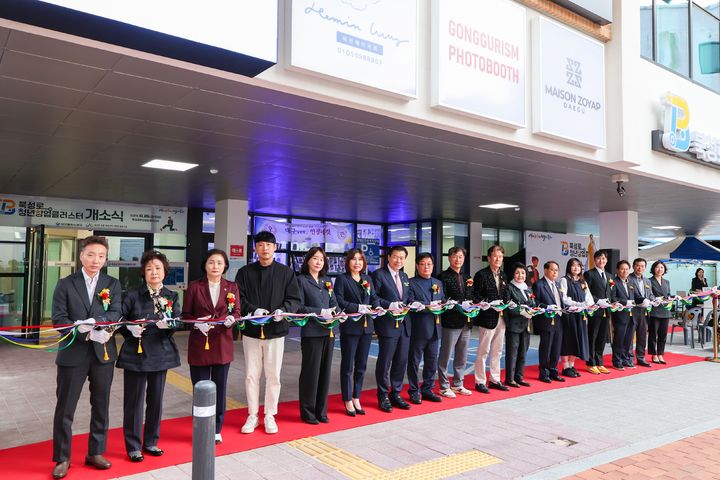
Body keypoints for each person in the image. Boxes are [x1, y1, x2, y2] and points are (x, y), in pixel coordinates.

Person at [51, 236, 122, 479]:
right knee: (65, 407)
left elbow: (116, 312)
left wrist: (98, 324)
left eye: (101, 256)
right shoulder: (65, 284)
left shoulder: (112, 283)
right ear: (81, 255)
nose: (96, 260)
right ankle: (62, 457)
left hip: (103, 353)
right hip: (73, 353)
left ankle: (96, 452)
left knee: (101, 405)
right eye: (91, 254)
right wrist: (81, 331)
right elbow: (58, 319)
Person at [117, 250, 181, 462]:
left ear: (165, 271)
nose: (154, 272)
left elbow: (177, 322)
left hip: (160, 354)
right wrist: (129, 329)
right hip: (136, 354)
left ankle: (151, 441)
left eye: (158, 268)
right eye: (149, 269)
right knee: (134, 402)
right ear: (143, 273)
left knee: (156, 400)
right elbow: (119, 320)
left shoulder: (171, 296)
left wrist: (169, 325)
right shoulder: (133, 295)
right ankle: (133, 445)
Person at [235, 231, 301, 434]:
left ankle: (270, 415)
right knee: (251, 375)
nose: (264, 248)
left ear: (275, 247)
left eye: (268, 245)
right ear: (255, 248)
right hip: (252, 331)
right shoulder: (245, 272)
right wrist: (253, 310)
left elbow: (294, 299)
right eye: (260, 244)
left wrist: (283, 309)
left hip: (276, 330)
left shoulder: (286, 272)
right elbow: (239, 298)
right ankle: (253, 415)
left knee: (273, 376)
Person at [182, 248, 239, 444]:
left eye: (219, 263)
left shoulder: (231, 287)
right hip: (200, 343)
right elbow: (185, 315)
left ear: (225, 266)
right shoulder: (194, 287)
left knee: (220, 388)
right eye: (211, 262)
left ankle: (216, 429)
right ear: (205, 265)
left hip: (222, 343)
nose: (215, 266)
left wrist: (233, 319)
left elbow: (237, 312)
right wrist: (197, 323)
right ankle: (200, 427)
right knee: (199, 388)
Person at [334, 248, 380, 416]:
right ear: (348, 262)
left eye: (360, 259)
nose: (357, 262)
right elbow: (338, 300)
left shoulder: (367, 279)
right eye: (354, 259)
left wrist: (378, 306)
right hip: (350, 327)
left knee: (361, 365)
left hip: (367, 327)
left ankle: (356, 396)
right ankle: (347, 399)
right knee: (348, 365)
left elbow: (373, 297)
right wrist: (356, 307)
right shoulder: (342, 279)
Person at [297, 247, 338, 425]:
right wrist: (320, 311)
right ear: (308, 261)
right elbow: (299, 307)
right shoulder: (301, 280)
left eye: (321, 259)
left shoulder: (327, 281)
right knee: (310, 373)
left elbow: (334, 303)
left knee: (325, 372)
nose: (318, 262)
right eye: (315, 258)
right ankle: (308, 411)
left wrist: (337, 313)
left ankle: (322, 410)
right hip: (312, 332)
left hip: (328, 332)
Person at [372, 246, 411, 413]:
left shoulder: (404, 275)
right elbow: (374, 297)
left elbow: (407, 296)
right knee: (385, 362)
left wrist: (410, 303)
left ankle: (396, 393)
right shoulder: (379, 275)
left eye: (402, 258)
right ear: (389, 257)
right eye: (395, 257)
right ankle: (382, 395)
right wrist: (389, 305)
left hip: (404, 324)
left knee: (401, 361)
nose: (399, 261)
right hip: (387, 325)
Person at [406, 253, 444, 404]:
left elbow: (442, 300)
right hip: (418, 329)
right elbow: (410, 302)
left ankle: (427, 389)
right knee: (414, 362)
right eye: (423, 264)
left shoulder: (438, 283)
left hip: (435, 328)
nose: (426, 267)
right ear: (417, 266)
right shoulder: (411, 283)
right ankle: (414, 391)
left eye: (429, 264)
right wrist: (428, 307)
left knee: (432, 361)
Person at [437, 246, 474, 398]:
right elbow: (442, 298)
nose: (458, 259)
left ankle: (458, 384)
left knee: (462, 355)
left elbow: (472, 295)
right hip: (450, 321)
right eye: (455, 256)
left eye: (460, 257)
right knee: (446, 354)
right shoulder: (442, 277)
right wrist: (458, 303)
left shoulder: (467, 277)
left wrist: (476, 304)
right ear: (449, 258)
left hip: (466, 321)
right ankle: (443, 386)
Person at [472, 245, 508, 393]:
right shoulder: (481, 274)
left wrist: (506, 303)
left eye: (500, 257)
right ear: (489, 258)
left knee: (498, 350)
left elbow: (506, 294)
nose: (498, 259)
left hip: (501, 317)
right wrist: (488, 303)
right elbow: (475, 295)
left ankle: (495, 379)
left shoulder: (504, 275)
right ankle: (480, 381)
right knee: (483, 350)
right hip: (487, 317)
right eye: (495, 256)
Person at [559, 258, 592, 378]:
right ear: (569, 267)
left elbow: (588, 297)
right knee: (568, 341)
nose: (576, 268)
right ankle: (565, 367)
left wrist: (589, 305)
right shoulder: (564, 280)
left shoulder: (583, 281)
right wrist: (579, 304)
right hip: (569, 315)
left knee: (577, 340)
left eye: (578, 266)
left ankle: (572, 366)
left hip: (581, 315)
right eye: (573, 266)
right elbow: (564, 298)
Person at [504, 263, 535, 388]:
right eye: (517, 273)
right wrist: (521, 311)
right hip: (514, 325)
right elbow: (508, 306)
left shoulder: (527, 288)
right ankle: (510, 379)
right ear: (513, 274)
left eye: (522, 273)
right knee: (512, 353)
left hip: (527, 324)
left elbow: (533, 302)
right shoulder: (509, 288)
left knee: (523, 352)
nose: (520, 275)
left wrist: (533, 310)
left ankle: (519, 376)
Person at [533, 261, 564, 383]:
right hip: (546, 319)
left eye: (557, 270)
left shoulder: (557, 285)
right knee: (546, 347)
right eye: (552, 270)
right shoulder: (539, 285)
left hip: (558, 318)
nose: (555, 272)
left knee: (556, 347)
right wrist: (548, 306)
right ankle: (544, 372)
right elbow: (535, 303)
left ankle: (553, 370)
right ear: (545, 270)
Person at [610, 260, 644, 370]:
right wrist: (625, 302)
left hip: (632, 315)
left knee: (628, 339)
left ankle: (625, 359)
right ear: (618, 270)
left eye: (626, 269)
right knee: (619, 339)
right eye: (622, 269)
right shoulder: (613, 282)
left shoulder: (631, 282)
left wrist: (644, 300)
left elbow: (637, 296)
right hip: (620, 315)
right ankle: (617, 361)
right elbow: (613, 298)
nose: (624, 271)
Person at [583, 250, 612, 375]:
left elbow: (611, 293)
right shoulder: (589, 274)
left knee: (602, 337)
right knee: (592, 336)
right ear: (594, 260)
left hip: (607, 310)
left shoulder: (610, 276)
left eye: (604, 258)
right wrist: (598, 301)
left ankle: (600, 362)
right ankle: (591, 363)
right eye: (599, 258)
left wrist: (612, 302)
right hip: (595, 310)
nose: (602, 261)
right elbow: (586, 292)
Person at [627, 258, 654, 367]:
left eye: (642, 266)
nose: (640, 268)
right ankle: (629, 358)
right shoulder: (628, 278)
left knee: (642, 336)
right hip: (632, 311)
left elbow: (650, 294)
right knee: (629, 337)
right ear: (633, 266)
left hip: (644, 312)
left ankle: (641, 358)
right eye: (638, 265)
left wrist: (654, 299)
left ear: (645, 268)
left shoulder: (647, 281)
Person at [648, 261, 671, 365]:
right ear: (653, 269)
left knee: (663, 334)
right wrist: (656, 299)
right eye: (657, 267)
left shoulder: (667, 281)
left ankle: (660, 353)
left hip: (665, 310)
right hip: (655, 310)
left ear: (664, 270)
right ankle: (653, 354)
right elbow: (649, 294)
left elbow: (668, 294)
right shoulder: (649, 281)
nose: (659, 269)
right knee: (653, 333)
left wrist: (671, 298)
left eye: (662, 267)